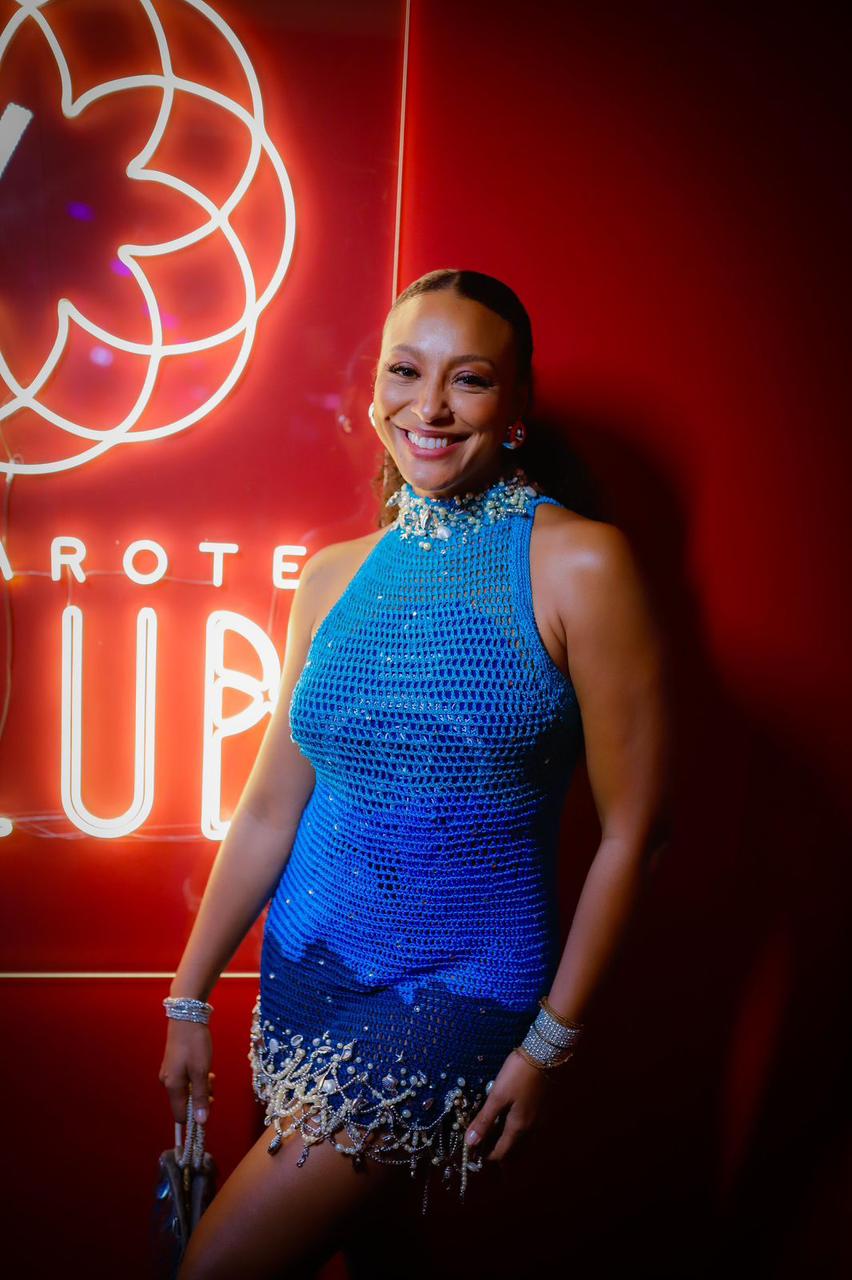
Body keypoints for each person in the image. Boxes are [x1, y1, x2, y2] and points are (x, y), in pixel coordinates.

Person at [161, 268, 672, 1279]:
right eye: (405, 371)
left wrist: (549, 1043)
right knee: (381, 1258)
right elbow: (270, 806)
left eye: (468, 379)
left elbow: (634, 833)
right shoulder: (331, 575)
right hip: (305, 976)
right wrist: (189, 998)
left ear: (516, 406)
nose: (429, 406)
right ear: (375, 392)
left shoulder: (581, 564)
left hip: (456, 993)